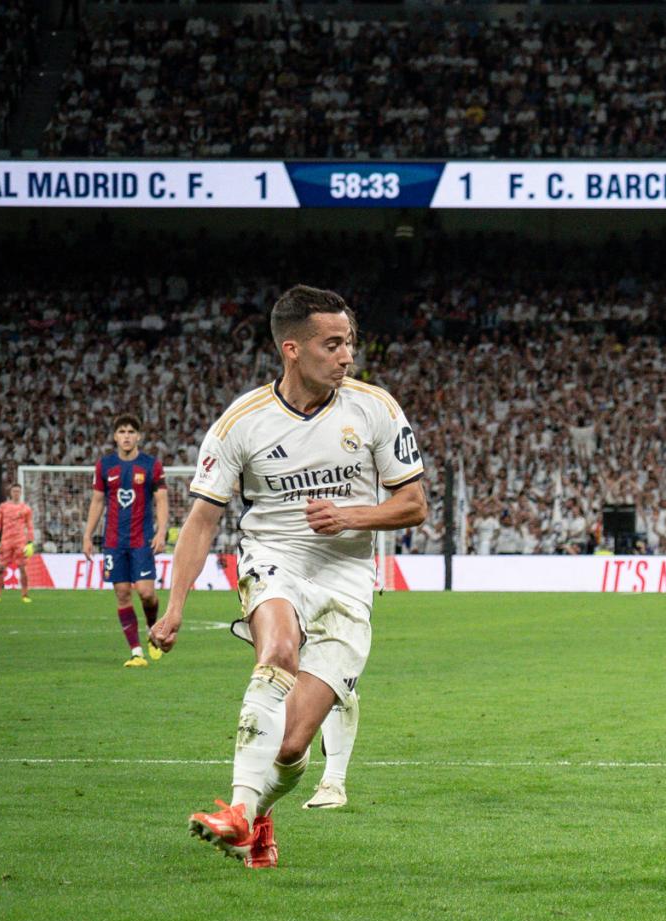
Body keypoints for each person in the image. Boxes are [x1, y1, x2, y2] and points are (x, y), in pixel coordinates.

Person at [150, 285, 427, 868]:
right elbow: (201, 521)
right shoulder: (241, 423)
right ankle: (239, 813)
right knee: (276, 651)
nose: (347, 354)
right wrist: (175, 607)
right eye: (334, 344)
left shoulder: (375, 407)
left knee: (293, 744)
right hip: (274, 557)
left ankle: (257, 818)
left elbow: (414, 504)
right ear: (292, 349)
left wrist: (350, 514)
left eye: (350, 341)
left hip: (349, 577)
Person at [82, 415, 168, 666]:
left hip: (142, 540)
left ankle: (153, 628)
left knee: (147, 593)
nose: (127, 436)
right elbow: (97, 501)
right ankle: (136, 652)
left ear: (139, 436)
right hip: (113, 541)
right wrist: (88, 535)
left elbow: (161, 499)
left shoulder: (151, 465)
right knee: (122, 594)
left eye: (131, 431)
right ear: (115, 436)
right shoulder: (105, 465)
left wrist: (162, 532)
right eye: (122, 431)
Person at [0, 483, 36, 603]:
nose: (16, 493)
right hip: (6, 541)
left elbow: (30, 526)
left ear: (20, 493)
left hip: (20, 541)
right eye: (14, 491)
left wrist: (30, 542)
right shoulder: (3, 507)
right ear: (10, 493)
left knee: (22, 568)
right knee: (0, 568)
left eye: (18, 491)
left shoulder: (26, 508)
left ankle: (25, 595)